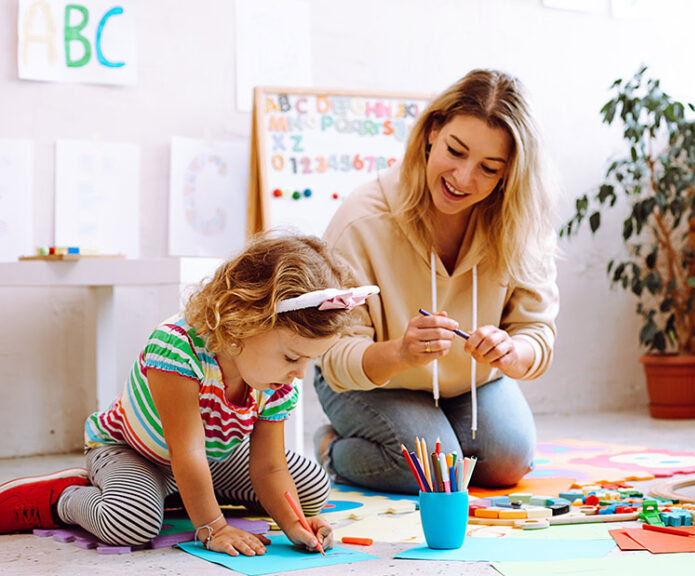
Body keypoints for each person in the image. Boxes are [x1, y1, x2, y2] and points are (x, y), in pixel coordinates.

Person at [0, 233, 372, 556]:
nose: (300, 374)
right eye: (293, 357)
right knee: (132, 524)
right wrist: (213, 526)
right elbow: (185, 451)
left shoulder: (277, 380)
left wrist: (295, 527)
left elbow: (269, 467)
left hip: (209, 459)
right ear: (243, 320)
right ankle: (64, 497)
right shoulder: (176, 348)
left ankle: (176, 498)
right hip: (137, 452)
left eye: (309, 361)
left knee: (311, 486)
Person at [313, 68, 559, 494]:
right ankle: (331, 448)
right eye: (456, 151)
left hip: (469, 383)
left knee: (509, 460)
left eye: (489, 168)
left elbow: (536, 333)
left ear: (508, 175)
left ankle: (435, 432)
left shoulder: (520, 222)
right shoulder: (361, 220)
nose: (464, 178)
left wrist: (511, 353)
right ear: (432, 132)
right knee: (433, 472)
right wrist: (400, 352)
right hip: (369, 381)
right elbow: (334, 355)